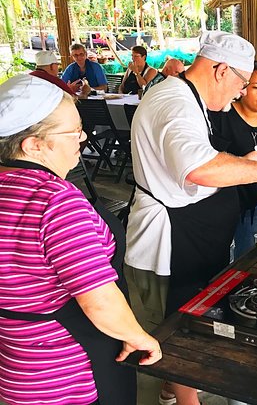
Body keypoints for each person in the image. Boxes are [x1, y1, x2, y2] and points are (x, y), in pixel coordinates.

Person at [125, 31, 257, 405]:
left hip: (192, 238)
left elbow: (199, 156)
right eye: (239, 83)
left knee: (191, 323)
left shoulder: (190, 97)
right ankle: (181, 394)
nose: (239, 94)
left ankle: (173, 388)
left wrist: (245, 163)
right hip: (167, 246)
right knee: (172, 335)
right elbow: (198, 168)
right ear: (219, 70)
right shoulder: (174, 102)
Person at [0, 74, 161, 405]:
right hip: (73, 370)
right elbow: (98, 299)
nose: (84, 137)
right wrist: (138, 337)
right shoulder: (54, 200)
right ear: (33, 144)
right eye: (73, 132)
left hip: (18, 369)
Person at [208, 61, 257, 260]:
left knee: (249, 257)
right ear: (242, 88)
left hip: (252, 206)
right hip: (220, 205)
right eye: (256, 87)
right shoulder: (221, 118)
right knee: (223, 260)